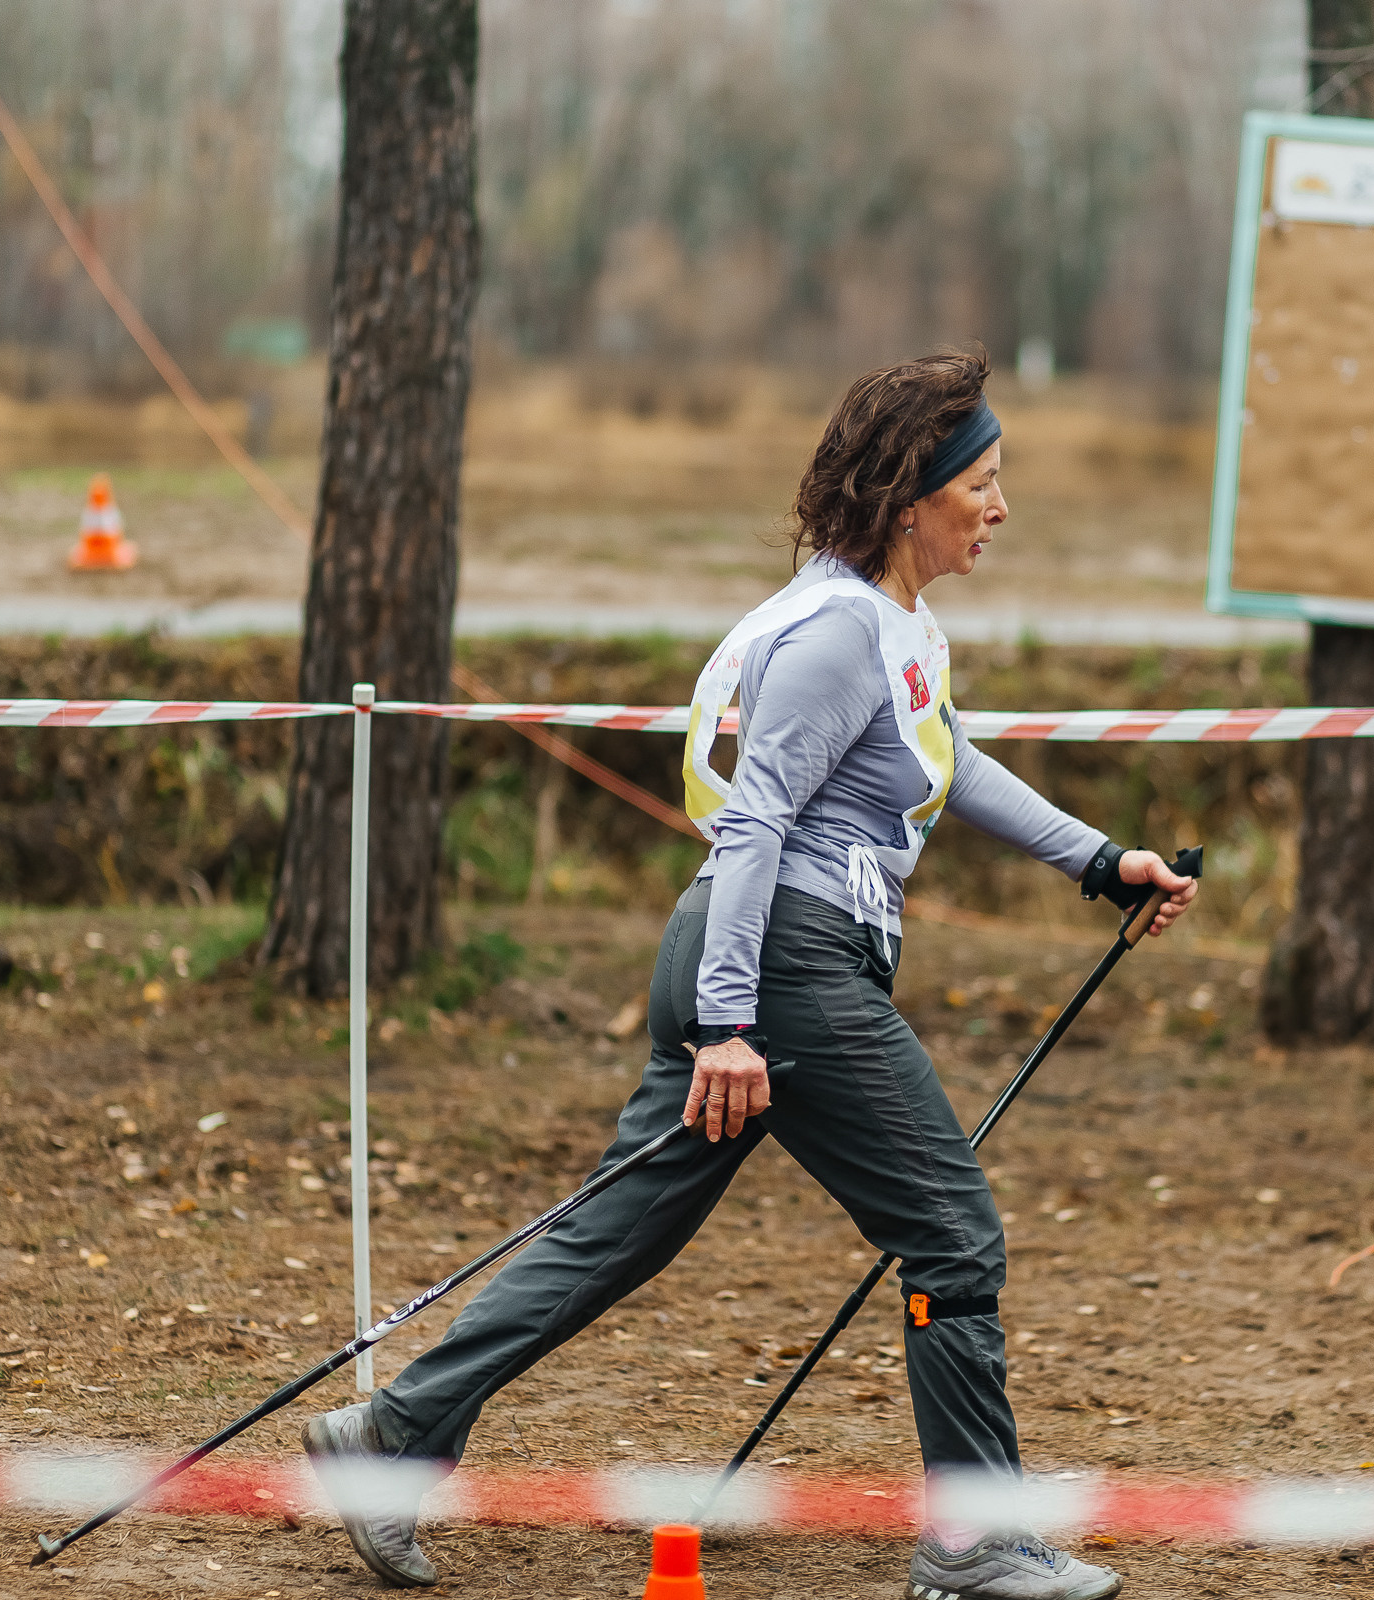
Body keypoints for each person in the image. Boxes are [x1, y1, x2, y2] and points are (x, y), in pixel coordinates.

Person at [302, 349, 1197, 1599]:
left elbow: (952, 762)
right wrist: (730, 1024)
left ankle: (391, 1437)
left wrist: (1101, 860)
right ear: (910, 498)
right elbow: (756, 825)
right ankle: (974, 1540)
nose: (1002, 508)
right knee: (950, 1234)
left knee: (613, 1234)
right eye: (983, 484)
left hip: (753, 956)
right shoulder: (836, 633)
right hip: (778, 966)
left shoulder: (885, 621)